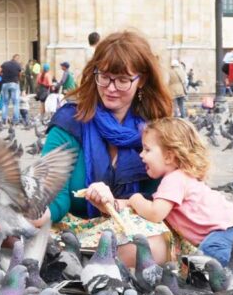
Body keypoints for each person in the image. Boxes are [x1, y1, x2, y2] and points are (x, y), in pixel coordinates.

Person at [38, 29, 174, 267]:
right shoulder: (69, 122)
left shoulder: (158, 131)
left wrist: (118, 204)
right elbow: (54, 195)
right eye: (105, 77)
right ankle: (77, 265)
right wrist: (36, 212)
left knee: (148, 247)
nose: (111, 88)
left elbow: (164, 197)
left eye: (122, 80)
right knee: (17, 235)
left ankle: (76, 268)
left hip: (129, 231)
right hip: (74, 230)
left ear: (141, 80)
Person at [119, 117, 233, 266]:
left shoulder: (174, 180)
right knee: (203, 258)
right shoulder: (180, 177)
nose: (141, 155)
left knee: (208, 252)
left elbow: (155, 213)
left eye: (147, 149)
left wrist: (135, 199)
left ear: (168, 156)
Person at [0, 53, 22, 124]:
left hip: (5, 84)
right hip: (14, 84)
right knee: (15, 103)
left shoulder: (5, 64)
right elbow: (20, 75)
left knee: (5, 103)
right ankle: (15, 120)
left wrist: (3, 75)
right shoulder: (17, 65)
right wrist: (18, 79)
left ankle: (4, 119)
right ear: (16, 58)